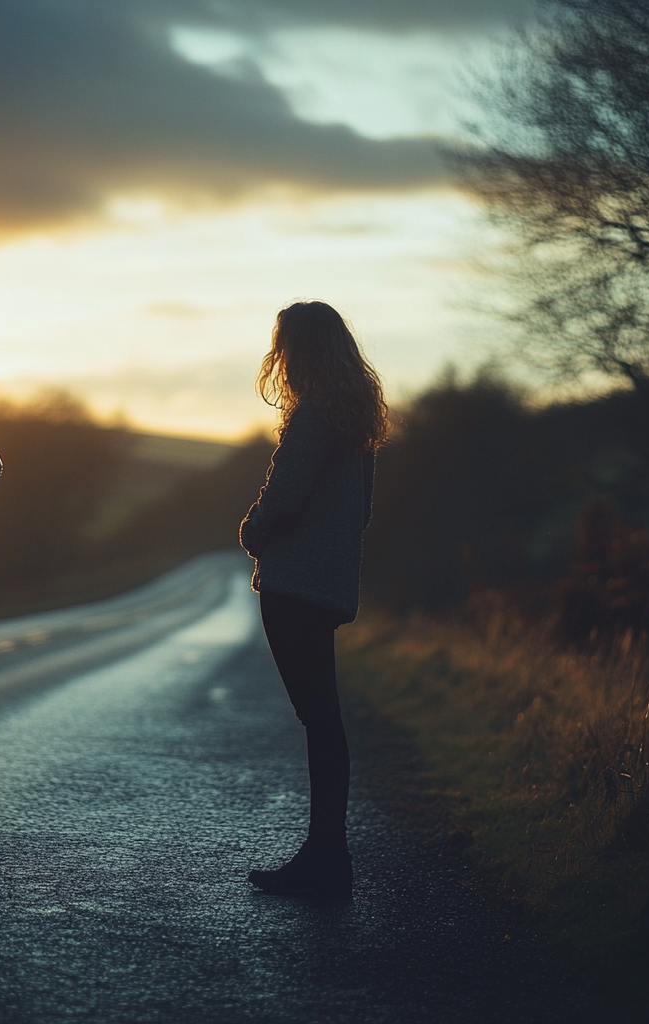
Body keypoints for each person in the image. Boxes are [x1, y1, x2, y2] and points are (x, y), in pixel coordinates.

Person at [239, 300, 387, 897]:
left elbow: (286, 496)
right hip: (327, 586)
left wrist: (253, 530)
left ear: (297, 351)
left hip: (292, 586)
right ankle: (328, 854)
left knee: (318, 719)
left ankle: (327, 858)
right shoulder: (357, 424)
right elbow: (364, 513)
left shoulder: (313, 417)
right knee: (323, 720)